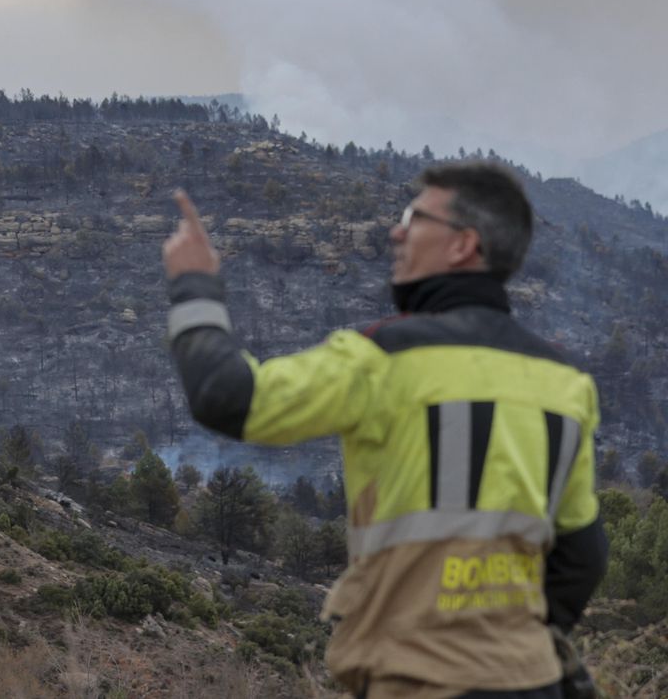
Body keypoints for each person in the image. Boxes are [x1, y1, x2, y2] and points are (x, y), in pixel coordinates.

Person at [162, 162, 607, 699]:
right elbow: (582, 555)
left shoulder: (384, 359)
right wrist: (510, 643)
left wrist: (195, 284)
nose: (396, 231)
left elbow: (225, 396)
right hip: (530, 680)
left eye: (413, 218)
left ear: (464, 244)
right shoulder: (567, 384)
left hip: (417, 681)